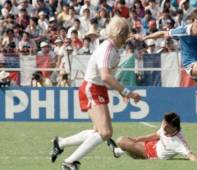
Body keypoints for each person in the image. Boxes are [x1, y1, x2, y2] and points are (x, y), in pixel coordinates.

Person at [50, 16, 141, 170]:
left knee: (98, 131)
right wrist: (127, 92)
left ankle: (61, 143)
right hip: (92, 88)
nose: (127, 39)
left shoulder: (112, 47)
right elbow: (105, 75)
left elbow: (106, 77)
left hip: (98, 87)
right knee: (105, 132)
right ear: (120, 34)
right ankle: (69, 162)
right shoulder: (107, 48)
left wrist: (121, 93)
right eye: (126, 35)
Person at [136, 9, 197, 116]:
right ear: (192, 21)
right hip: (191, 64)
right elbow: (163, 33)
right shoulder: (183, 31)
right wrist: (145, 37)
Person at [113, 112, 197, 161]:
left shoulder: (177, 142)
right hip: (152, 144)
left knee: (120, 140)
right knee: (127, 140)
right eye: (163, 123)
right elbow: (156, 135)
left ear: (174, 128)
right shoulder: (166, 126)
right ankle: (120, 151)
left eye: (167, 126)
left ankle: (120, 151)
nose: (164, 127)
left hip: (151, 154)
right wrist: (139, 138)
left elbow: (191, 155)